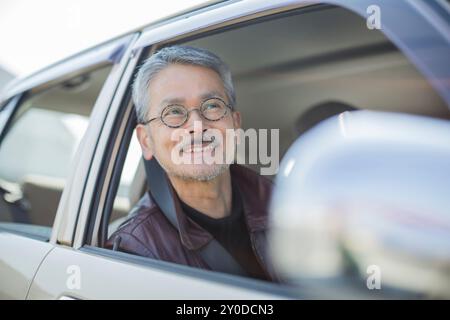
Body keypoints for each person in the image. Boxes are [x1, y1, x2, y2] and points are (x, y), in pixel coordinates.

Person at [107, 46, 279, 282]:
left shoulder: (289, 207)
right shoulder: (137, 250)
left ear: (235, 125)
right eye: (174, 111)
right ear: (146, 141)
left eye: (212, 105)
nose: (198, 125)